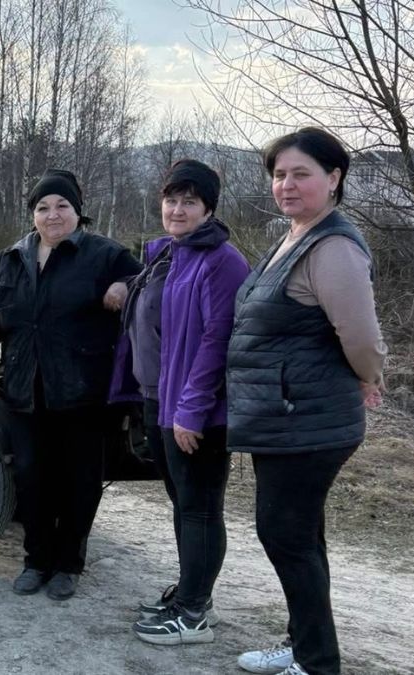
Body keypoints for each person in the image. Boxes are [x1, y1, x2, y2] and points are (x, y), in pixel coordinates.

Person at [0, 169, 142, 600]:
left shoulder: (106, 256)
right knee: (31, 476)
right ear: (32, 214)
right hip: (25, 391)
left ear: (78, 212)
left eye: (62, 206)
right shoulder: (9, 260)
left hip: (83, 394)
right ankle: (35, 561)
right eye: (43, 207)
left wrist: (126, 286)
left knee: (80, 481)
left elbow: (152, 281)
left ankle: (69, 565)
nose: (53, 215)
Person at [229, 128, 385, 675]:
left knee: (285, 532)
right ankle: (303, 643)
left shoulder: (334, 247)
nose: (287, 185)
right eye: (279, 174)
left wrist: (370, 377)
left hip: (309, 420)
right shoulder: (295, 235)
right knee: (299, 533)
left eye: (301, 174)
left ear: (334, 178)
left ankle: (317, 662)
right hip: (287, 415)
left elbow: (361, 337)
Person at [108, 160, 250, 645]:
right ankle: (192, 592)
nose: (178, 208)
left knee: (200, 508)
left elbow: (217, 339)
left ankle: (193, 614)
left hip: (196, 411)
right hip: (158, 399)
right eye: (171, 199)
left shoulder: (221, 261)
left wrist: (192, 410)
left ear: (209, 207)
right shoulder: (169, 254)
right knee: (183, 504)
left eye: (190, 200)